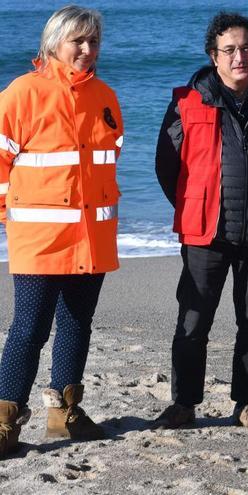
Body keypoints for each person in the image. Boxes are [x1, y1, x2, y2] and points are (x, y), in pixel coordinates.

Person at [154, 11, 248, 434]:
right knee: (193, 322)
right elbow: (166, 167)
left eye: (247, 48)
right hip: (205, 231)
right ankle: (184, 404)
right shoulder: (186, 100)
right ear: (213, 55)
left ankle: (247, 405)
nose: (240, 57)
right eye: (230, 49)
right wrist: (194, 205)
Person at [0, 5, 124, 456]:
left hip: (91, 236)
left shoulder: (105, 96)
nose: (88, 50)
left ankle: (64, 414)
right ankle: (5, 421)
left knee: (77, 324)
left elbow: (106, 166)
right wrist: (6, 217)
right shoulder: (21, 93)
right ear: (54, 42)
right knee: (29, 328)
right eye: (79, 41)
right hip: (39, 238)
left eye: (94, 41)